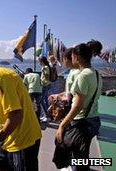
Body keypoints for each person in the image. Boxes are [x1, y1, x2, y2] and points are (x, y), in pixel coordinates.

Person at [53, 41, 103, 171]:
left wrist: (62, 124)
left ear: (77, 57)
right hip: (94, 120)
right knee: (82, 154)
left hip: (82, 122)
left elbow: (78, 106)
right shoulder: (96, 73)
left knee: (73, 153)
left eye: (73, 56)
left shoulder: (83, 76)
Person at [39, 56, 52, 122]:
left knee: (41, 101)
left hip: (45, 85)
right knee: (46, 100)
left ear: (42, 61)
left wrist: (43, 71)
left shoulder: (46, 67)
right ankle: (48, 115)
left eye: (40, 61)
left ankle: (47, 115)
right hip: (46, 85)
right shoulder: (46, 67)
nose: (39, 63)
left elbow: (47, 77)